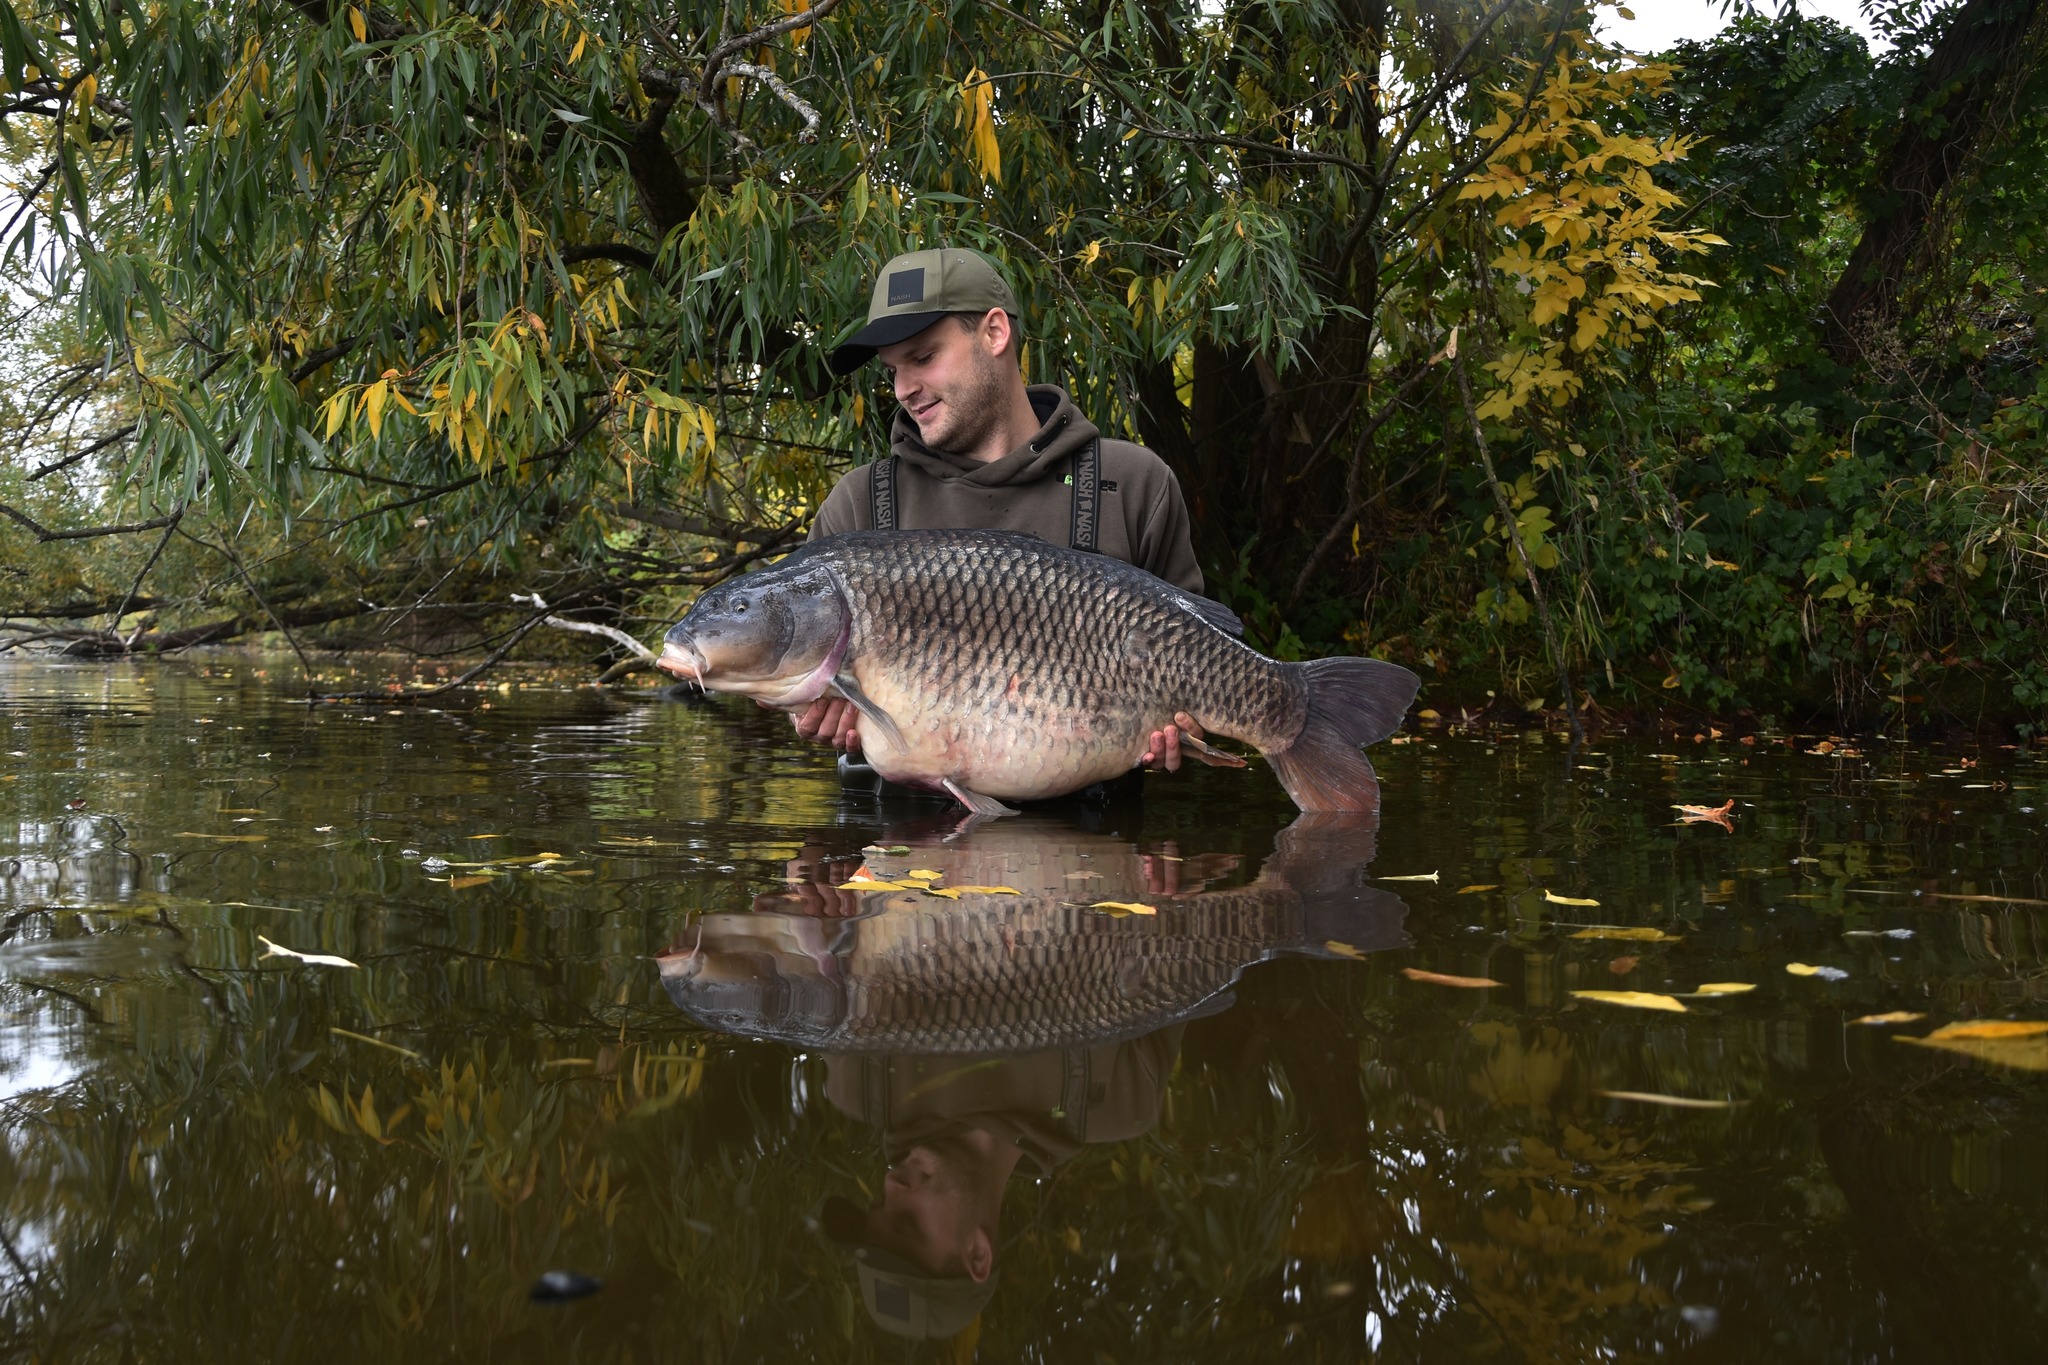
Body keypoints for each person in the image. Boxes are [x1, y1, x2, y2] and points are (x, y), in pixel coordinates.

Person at [790, 245, 1207, 773]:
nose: (902, 389)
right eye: (892, 369)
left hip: (1101, 838)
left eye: (922, 358)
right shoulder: (856, 506)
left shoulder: (1132, 484)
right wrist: (813, 714)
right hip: (901, 838)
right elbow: (801, 678)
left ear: (994, 333)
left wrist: (1186, 730)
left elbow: (1199, 666)